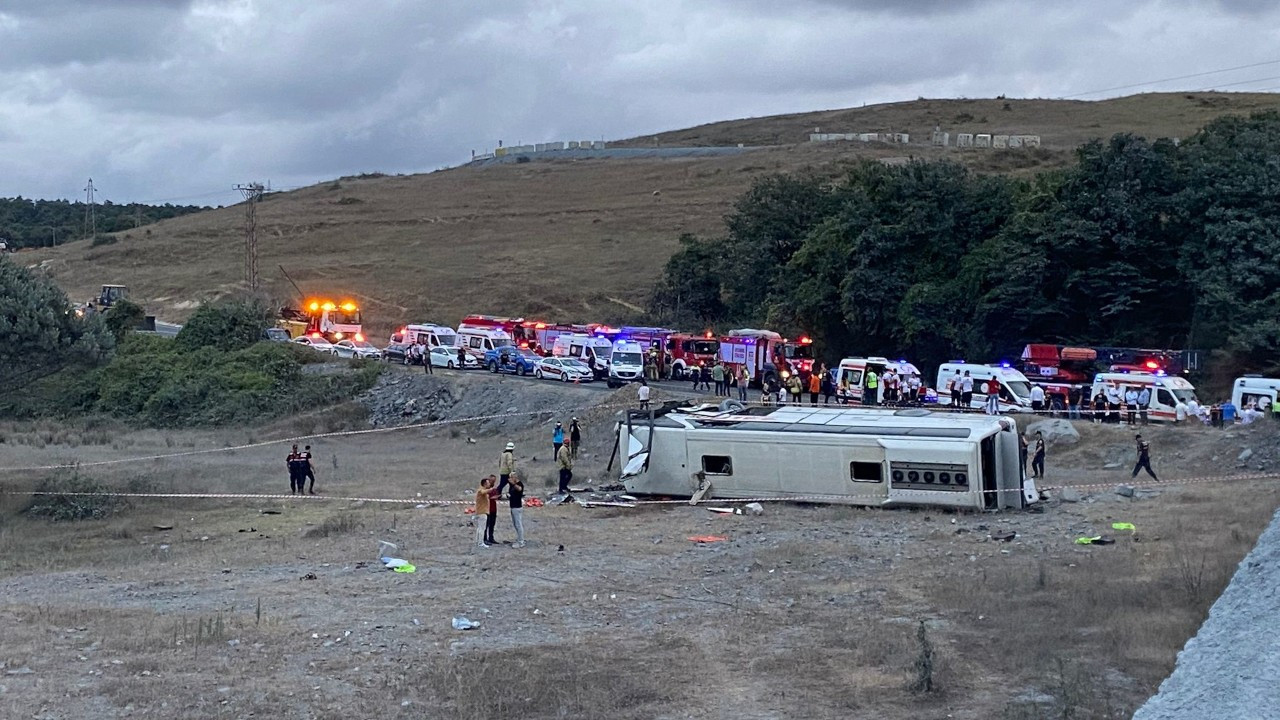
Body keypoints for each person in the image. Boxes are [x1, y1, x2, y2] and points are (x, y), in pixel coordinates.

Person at [474, 476, 494, 548]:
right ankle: (480, 543)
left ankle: (478, 541)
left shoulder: (482, 491)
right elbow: (483, 492)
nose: (489, 484)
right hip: (482, 512)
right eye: (488, 483)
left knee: (480, 528)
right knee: (482, 528)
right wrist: (491, 489)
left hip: (481, 512)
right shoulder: (481, 490)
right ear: (485, 484)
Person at [508, 471, 526, 548]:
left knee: (518, 524)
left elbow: (519, 489)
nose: (510, 479)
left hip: (517, 507)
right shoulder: (511, 485)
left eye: (511, 477)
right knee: (515, 524)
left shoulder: (519, 484)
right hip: (512, 506)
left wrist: (513, 483)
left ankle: (521, 541)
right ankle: (519, 538)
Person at [485, 474, 499, 545]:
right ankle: (484, 539)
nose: (493, 482)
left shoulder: (494, 489)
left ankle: (491, 538)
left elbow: (496, 496)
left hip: (493, 509)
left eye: (494, 481)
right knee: (486, 525)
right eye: (492, 481)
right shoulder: (485, 489)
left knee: (492, 524)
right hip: (487, 510)